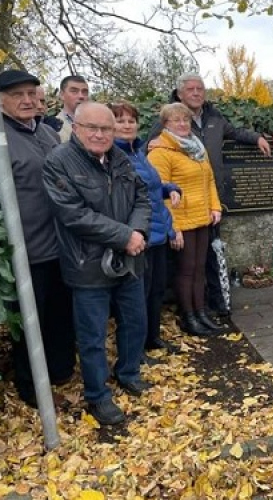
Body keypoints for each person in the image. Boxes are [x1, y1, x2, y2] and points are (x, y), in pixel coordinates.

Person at [43, 102, 151, 426]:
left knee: (135, 322)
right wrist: (124, 236)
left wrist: (138, 231)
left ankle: (128, 373)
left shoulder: (120, 158)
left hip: (127, 259)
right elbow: (74, 215)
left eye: (106, 128)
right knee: (92, 336)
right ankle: (98, 396)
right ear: (76, 128)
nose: (100, 134)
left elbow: (142, 197)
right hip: (87, 264)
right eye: (92, 127)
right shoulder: (59, 162)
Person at [147, 73, 270, 324]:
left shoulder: (214, 119)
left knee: (205, 261)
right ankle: (188, 313)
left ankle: (209, 308)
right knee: (185, 266)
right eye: (190, 89)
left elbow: (234, 134)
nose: (195, 92)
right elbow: (154, 178)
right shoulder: (163, 136)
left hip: (208, 206)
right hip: (180, 213)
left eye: (199, 88)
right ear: (180, 94)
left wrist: (258, 137)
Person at [0, 69, 76, 408]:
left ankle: (60, 371)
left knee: (60, 314)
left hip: (61, 246)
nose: (26, 101)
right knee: (29, 323)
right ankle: (31, 387)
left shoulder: (47, 135)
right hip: (26, 250)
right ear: (0, 100)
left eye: (30, 94)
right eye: (17, 95)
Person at [109, 101, 182, 356]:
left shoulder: (138, 151)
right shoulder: (114, 157)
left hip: (158, 234)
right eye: (120, 121)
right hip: (139, 236)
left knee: (156, 291)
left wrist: (169, 188)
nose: (127, 125)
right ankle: (135, 353)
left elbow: (151, 187)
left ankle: (153, 338)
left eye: (131, 120)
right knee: (136, 299)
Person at [147, 103, 224, 337]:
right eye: (176, 121)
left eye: (186, 120)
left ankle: (201, 312)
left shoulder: (196, 148)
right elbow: (161, 193)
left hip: (201, 218)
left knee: (199, 269)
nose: (182, 124)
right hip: (181, 221)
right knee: (186, 270)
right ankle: (188, 316)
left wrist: (215, 207)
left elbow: (209, 179)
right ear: (165, 125)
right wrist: (174, 228)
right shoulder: (160, 152)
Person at [55, 75, 89, 142]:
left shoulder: (98, 123)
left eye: (84, 92)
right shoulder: (52, 126)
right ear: (62, 95)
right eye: (74, 91)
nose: (81, 96)